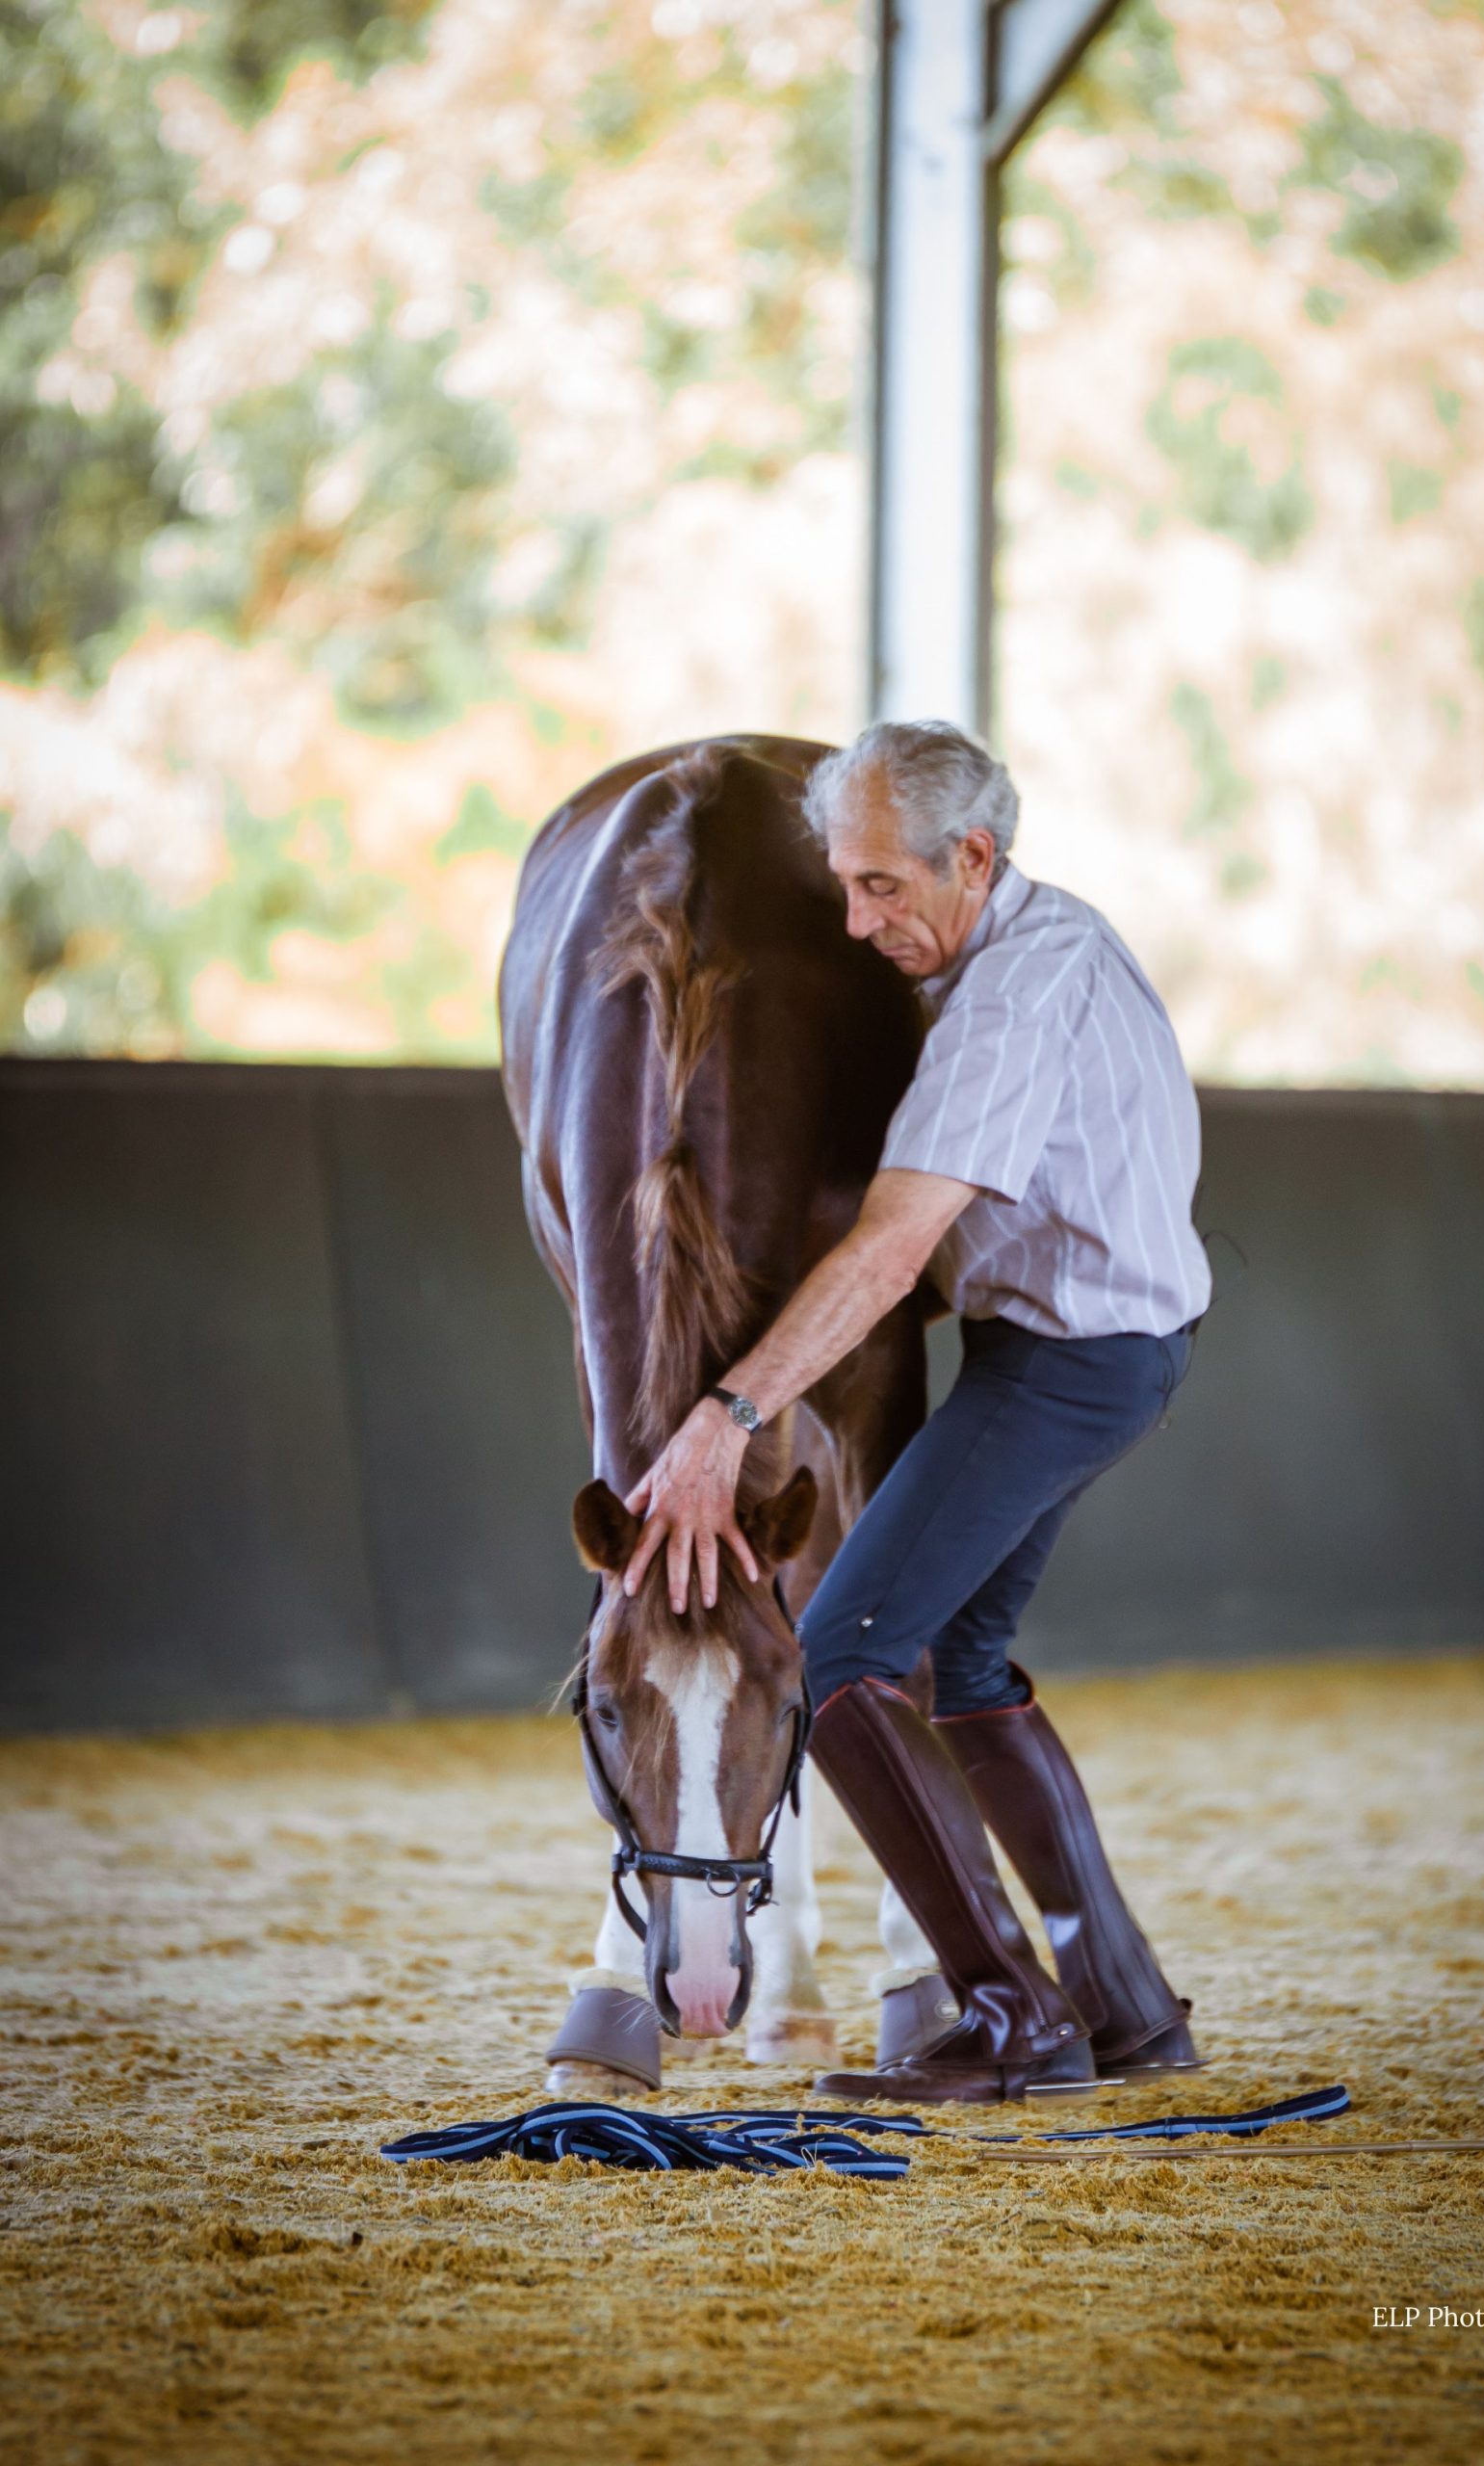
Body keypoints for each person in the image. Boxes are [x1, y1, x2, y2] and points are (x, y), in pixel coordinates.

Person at [621, 719, 1211, 2103]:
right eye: (842, 883)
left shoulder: (1009, 997)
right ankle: (1125, 2011)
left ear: (976, 856)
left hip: (1071, 1361)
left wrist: (726, 1414)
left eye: (883, 886)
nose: (856, 918)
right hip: (1093, 1345)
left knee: (839, 1656)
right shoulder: (1042, 938)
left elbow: (889, 1252)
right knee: (971, 1664)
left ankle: (1015, 2017)